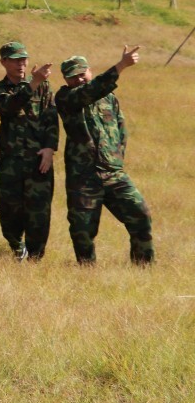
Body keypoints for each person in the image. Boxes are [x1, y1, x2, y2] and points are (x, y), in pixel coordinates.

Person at [54, 46, 154, 265]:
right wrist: (121, 66)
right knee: (83, 229)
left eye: (83, 74)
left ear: (89, 71)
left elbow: (121, 129)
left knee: (140, 214)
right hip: (84, 177)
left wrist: (116, 159)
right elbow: (88, 92)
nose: (80, 79)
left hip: (113, 173)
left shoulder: (109, 98)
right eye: (74, 77)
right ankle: (87, 272)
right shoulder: (66, 98)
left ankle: (144, 268)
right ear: (66, 80)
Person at [0, 41, 58, 260]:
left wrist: (50, 148)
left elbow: (51, 118)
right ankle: (17, 246)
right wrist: (33, 82)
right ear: (3, 62)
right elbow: (9, 108)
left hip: (39, 159)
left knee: (39, 210)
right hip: (11, 161)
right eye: (16, 60)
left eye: (24, 59)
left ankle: (35, 258)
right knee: (6, 205)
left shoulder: (44, 86)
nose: (21, 64)